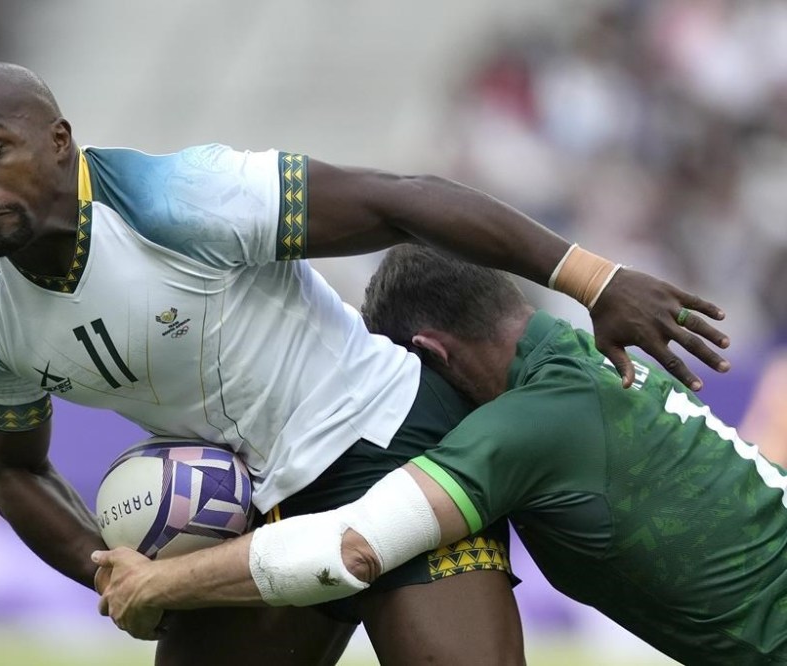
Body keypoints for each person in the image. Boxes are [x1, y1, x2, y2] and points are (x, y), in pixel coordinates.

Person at [0, 61, 728, 665]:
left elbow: (398, 202)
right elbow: (12, 473)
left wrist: (593, 279)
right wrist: (106, 571)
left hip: (387, 446)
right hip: (249, 510)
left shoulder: (179, 198)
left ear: (59, 142)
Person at [96, 245, 785, 665]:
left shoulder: (524, 428)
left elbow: (349, 549)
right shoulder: (593, 366)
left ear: (427, 354)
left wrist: (155, 584)